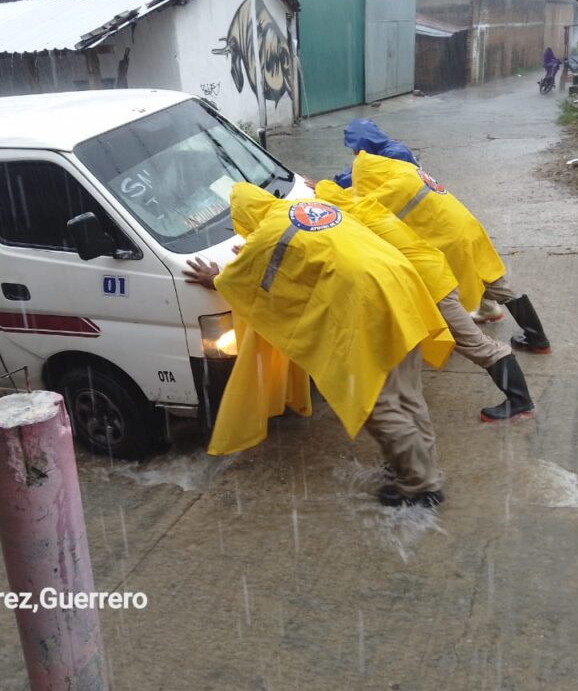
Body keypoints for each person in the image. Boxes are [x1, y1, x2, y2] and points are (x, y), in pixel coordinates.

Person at [183, 183, 454, 508]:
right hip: (401, 287)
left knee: (371, 400)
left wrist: (215, 278)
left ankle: (421, 485)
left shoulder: (267, 235)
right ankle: (417, 462)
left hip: (368, 304)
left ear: (243, 218)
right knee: (405, 388)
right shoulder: (305, 209)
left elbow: (246, 285)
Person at [314, 181, 534, 422]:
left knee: (476, 344)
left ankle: (520, 402)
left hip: (431, 287)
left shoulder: (351, 222)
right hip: (433, 272)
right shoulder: (362, 206)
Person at [351, 150, 551, 354]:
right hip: (468, 228)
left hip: (450, 240)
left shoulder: (391, 191)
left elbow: (360, 208)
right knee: (495, 281)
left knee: (445, 294)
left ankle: (470, 344)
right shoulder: (407, 171)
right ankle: (536, 337)